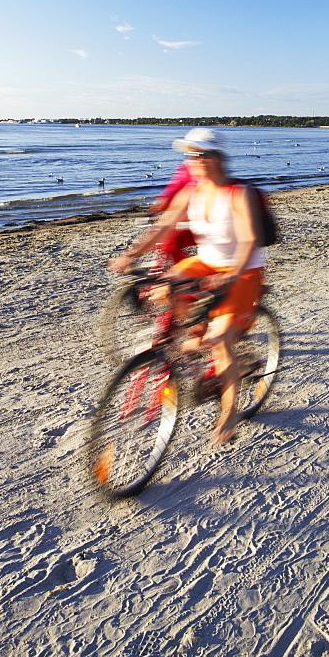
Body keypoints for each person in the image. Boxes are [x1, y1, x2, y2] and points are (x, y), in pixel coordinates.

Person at [110, 128, 264, 445]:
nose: (192, 160)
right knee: (162, 288)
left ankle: (229, 413)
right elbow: (164, 226)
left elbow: (250, 239)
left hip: (243, 268)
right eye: (189, 154)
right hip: (205, 262)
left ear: (216, 158)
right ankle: (193, 338)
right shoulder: (191, 191)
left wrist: (231, 275)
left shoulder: (238, 194)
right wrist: (132, 253)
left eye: (199, 154)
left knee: (220, 339)